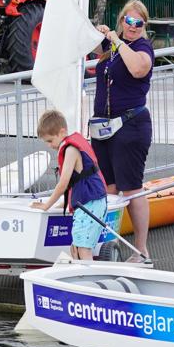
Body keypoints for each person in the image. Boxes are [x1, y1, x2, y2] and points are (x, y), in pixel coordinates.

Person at [92, 0, 155, 264]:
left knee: (131, 189)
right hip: (103, 127)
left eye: (138, 22)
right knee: (108, 188)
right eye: (129, 21)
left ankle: (141, 250)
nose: (133, 26)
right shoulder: (112, 46)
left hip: (130, 125)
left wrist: (117, 40)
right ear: (121, 21)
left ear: (144, 25)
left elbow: (138, 69)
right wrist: (99, 33)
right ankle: (107, 245)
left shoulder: (142, 48)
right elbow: (89, 47)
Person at [32, 109, 107, 261]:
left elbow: (64, 183)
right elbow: (75, 183)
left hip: (90, 204)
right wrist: (61, 205)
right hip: (88, 203)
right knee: (76, 247)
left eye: (50, 140)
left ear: (62, 132)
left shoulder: (71, 150)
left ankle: (89, 281)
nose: (49, 145)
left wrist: (47, 205)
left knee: (83, 248)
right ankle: (83, 276)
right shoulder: (70, 146)